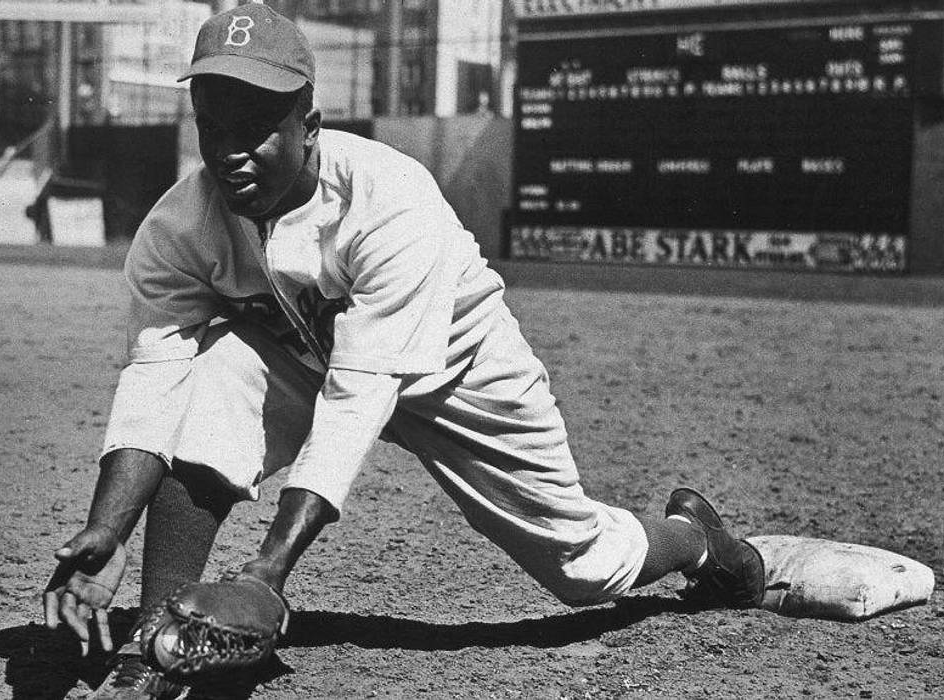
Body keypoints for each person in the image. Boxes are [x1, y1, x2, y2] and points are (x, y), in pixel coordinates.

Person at [42, 4, 764, 699]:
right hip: (305, 356)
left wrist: (268, 571)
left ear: (310, 126)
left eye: (259, 128)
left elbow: (358, 401)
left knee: (581, 564)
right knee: (212, 381)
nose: (232, 151)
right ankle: (155, 642)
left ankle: (694, 539)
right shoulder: (178, 226)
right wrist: (106, 527)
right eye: (213, 126)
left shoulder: (387, 199)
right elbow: (153, 381)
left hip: (461, 371)